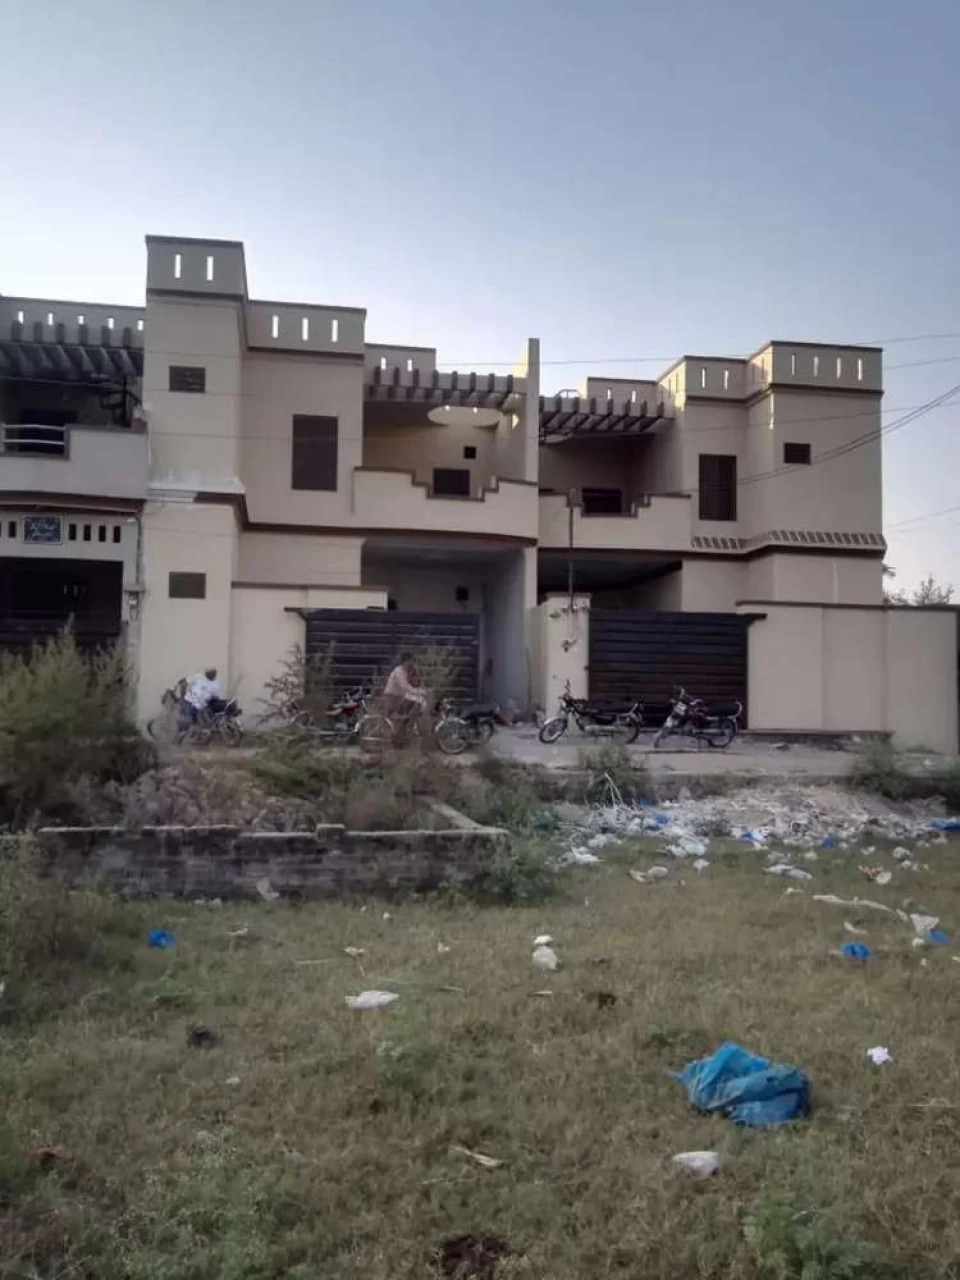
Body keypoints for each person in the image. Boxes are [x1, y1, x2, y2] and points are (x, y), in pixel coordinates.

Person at [383, 651, 426, 721]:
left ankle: (410, 718)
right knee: (419, 701)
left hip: (399, 696)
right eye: (411, 661)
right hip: (393, 696)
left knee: (421, 700)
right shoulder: (399, 671)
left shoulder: (404, 671)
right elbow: (404, 686)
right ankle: (408, 719)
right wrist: (419, 692)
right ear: (406, 661)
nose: (412, 663)